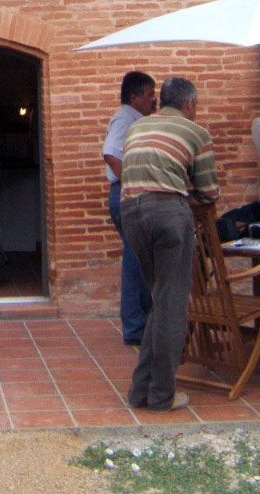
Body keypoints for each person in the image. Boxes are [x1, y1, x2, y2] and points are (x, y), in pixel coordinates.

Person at [121, 76, 219, 412]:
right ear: (189, 104)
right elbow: (209, 192)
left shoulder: (138, 127)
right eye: (197, 105)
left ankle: (141, 391)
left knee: (160, 301)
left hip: (130, 212)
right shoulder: (196, 132)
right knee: (173, 305)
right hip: (167, 213)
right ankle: (162, 395)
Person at [102, 71, 155, 345]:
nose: (153, 99)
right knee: (135, 259)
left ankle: (143, 321)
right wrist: (133, 184)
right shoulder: (125, 118)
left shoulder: (136, 119)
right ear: (134, 98)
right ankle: (135, 326)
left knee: (140, 257)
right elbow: (111, 154)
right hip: (126, 195)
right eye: (149, 94)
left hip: (127, 195)